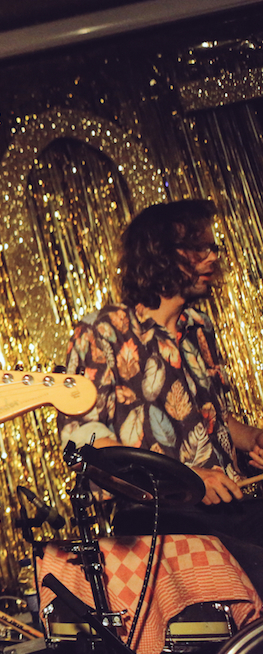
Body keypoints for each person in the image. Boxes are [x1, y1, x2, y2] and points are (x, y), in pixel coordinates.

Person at [58, 199, 263, 586]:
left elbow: (216, 419)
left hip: (231, 509)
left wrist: (252, 438)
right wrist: (185, 481)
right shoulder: (104, 331)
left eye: (213, 248)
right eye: (200, 248)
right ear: (161, 254)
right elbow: (84, 443)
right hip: (155, 520)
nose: (212, 259)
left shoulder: (199, 328)